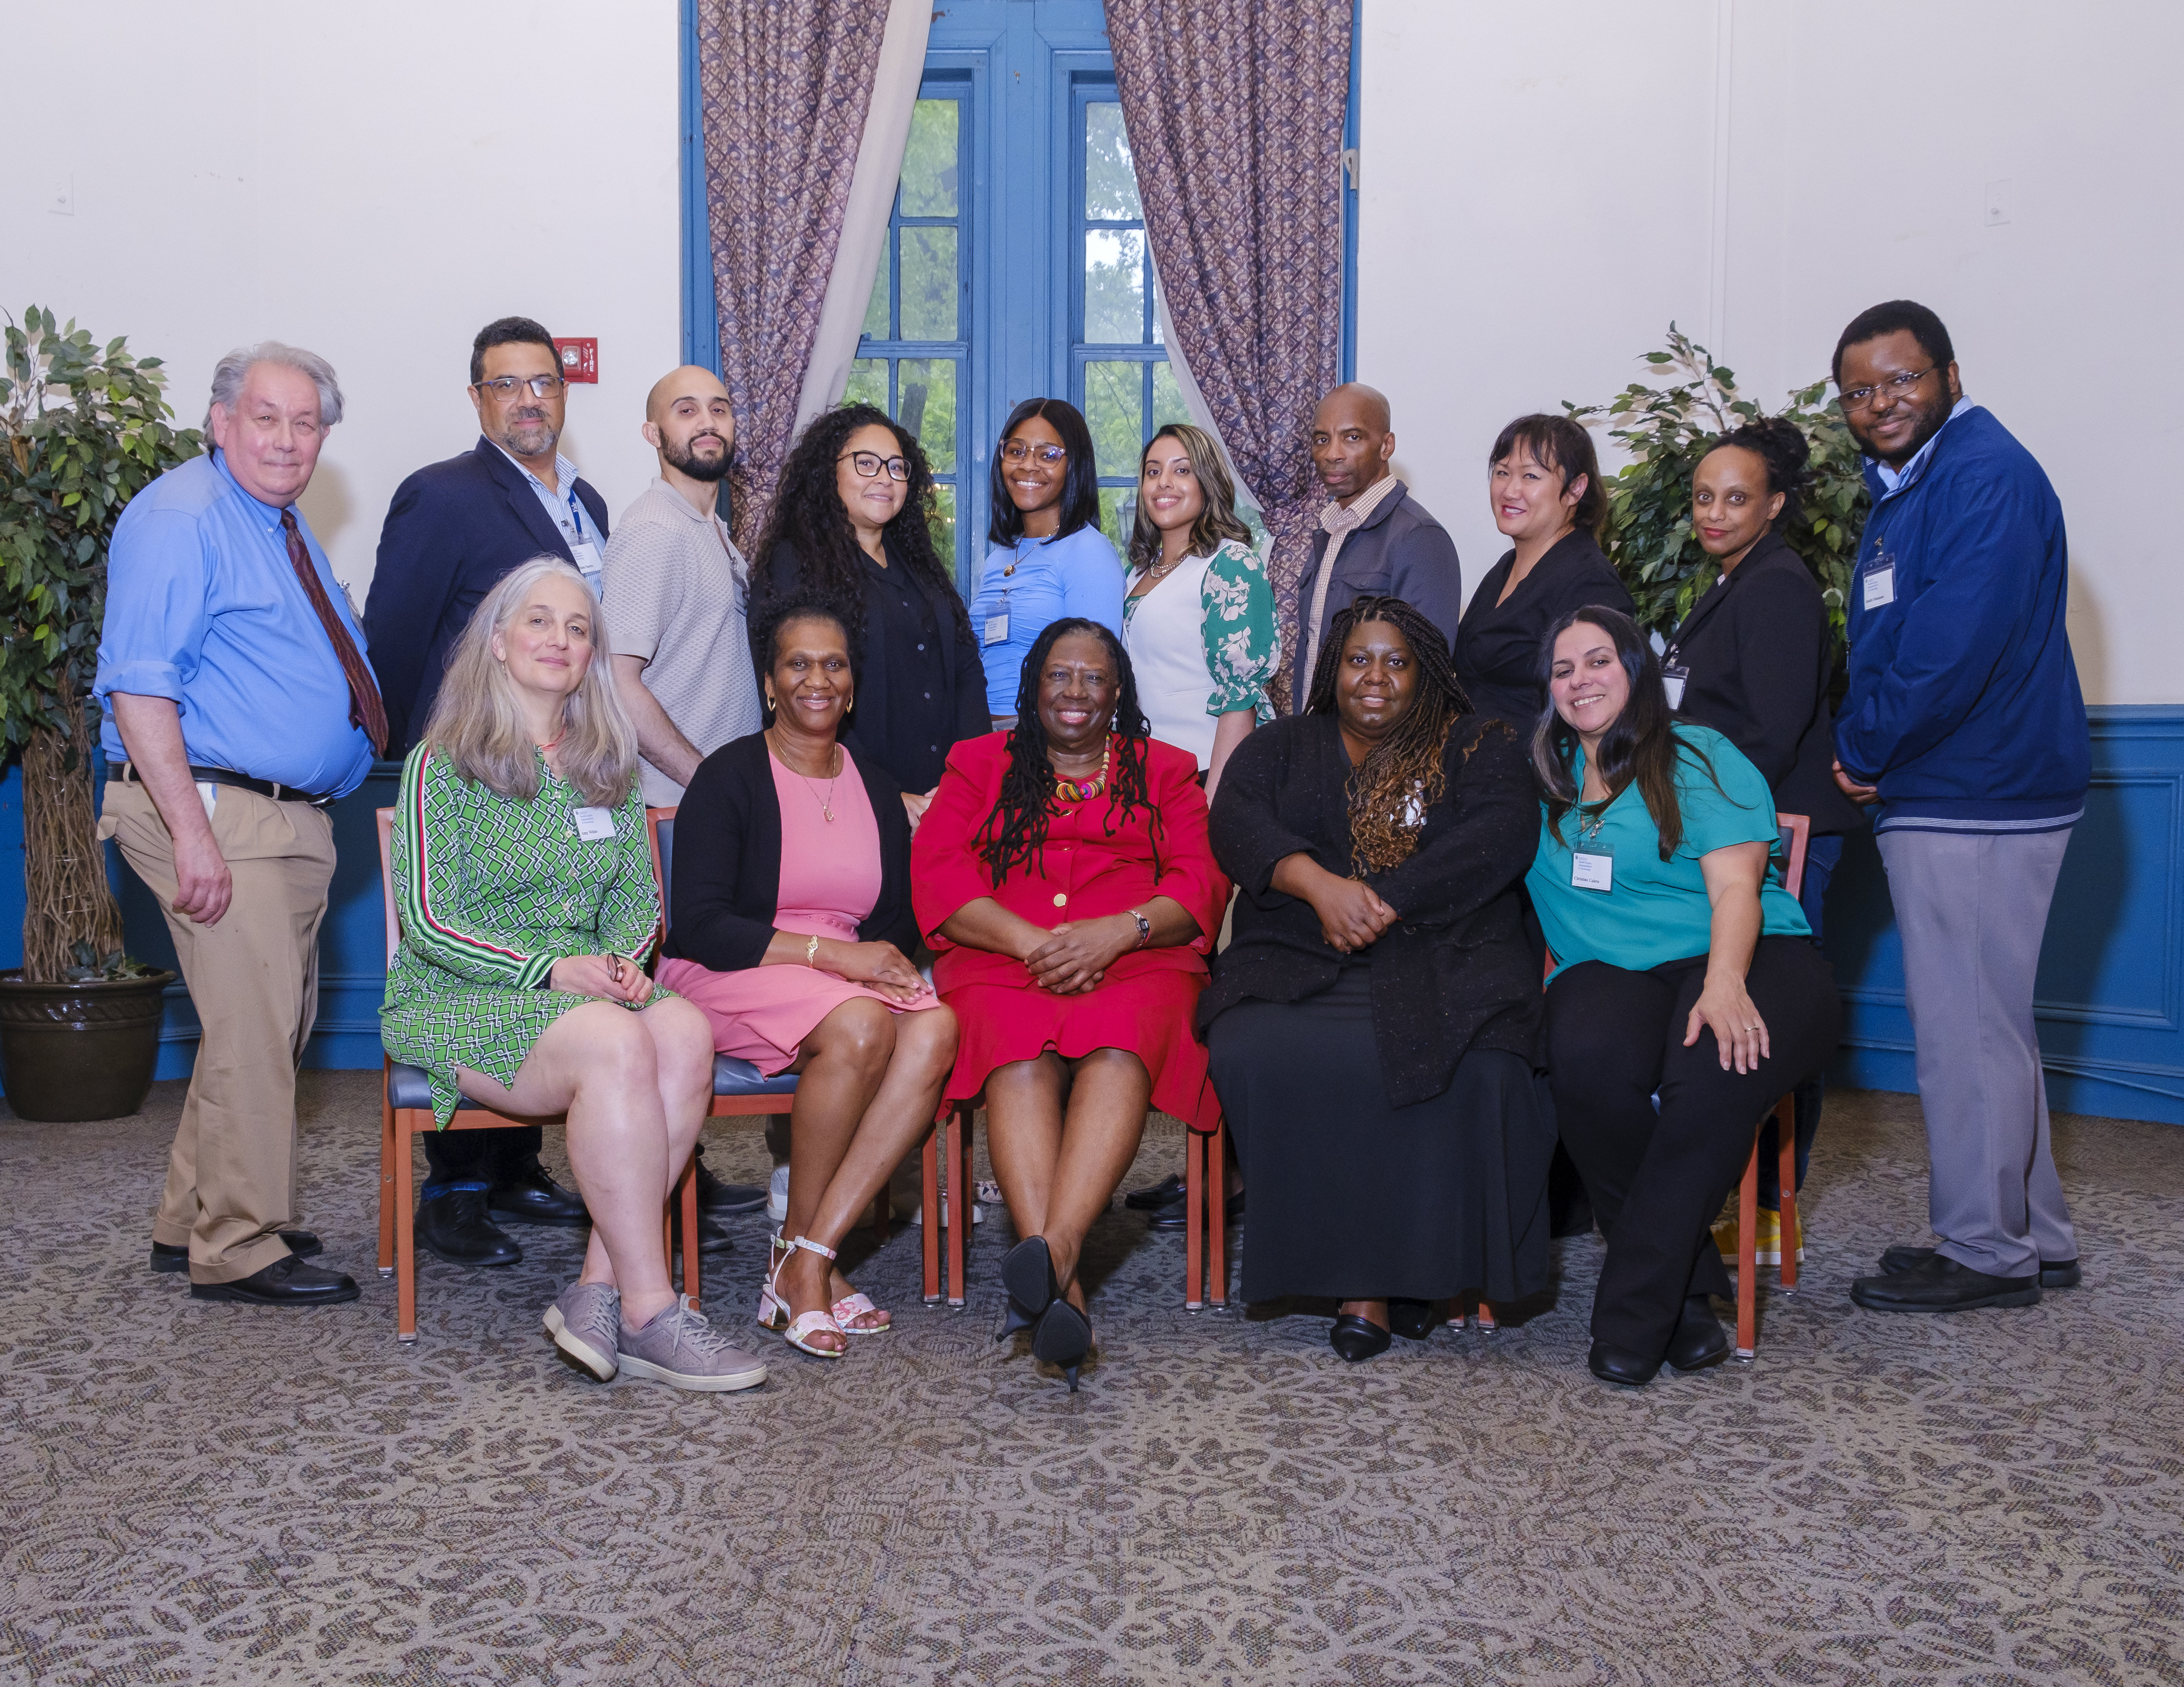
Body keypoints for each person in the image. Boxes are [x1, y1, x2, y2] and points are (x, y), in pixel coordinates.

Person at [380, 556, 766, 1391]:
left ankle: (596, 1285)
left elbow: (635, 905)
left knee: (683, 1028)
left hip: (589, 986)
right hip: (462, 990)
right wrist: (551, 970)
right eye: (540, 621)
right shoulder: (439, 763)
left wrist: (624, 967)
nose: (560, 639)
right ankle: (651, 1307)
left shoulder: (606, 762)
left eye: (579, 626)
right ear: (497, 641)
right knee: (617, 1044)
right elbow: (428, 920)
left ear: (593, 652)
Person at [95, 342, 381, 1307]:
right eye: (266, 417)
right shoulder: (185, 517)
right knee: (256, 1031)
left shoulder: (275, 523)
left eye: (306, 423)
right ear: (220, 421)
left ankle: (192, 1217)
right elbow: (139, 686)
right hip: (217, 810)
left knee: (257, 1026)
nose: (287, 439)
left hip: (280, 820)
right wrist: (191, 834)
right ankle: (239, 1241)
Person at [1203, 597, 1553, 1361]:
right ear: (1333, 667)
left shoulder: (1477, 743)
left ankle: (1408, 1277)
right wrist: (1315, 884)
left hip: (1445, 952)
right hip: (1296, 954)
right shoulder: (1279, 745)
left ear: (1425, 672)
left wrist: (1389, 899)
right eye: (1359, 658)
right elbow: (1234, 818)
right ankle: (1345, 1271)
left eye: (1396, 661)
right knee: (1254, 1047)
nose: (1375, 677)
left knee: (1468, 1059)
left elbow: (1500, 834)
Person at [1826, 301, 2089, 1315]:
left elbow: (1946, 650)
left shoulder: (1979, 474)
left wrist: (1859, 747)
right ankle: (2035, 1232)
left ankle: (1985, 1248)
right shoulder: (1917, 483)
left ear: (1946, 371)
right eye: (1859, 389)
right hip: (1958, 783)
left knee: (1964, 1031)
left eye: (1899, 379)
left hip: (1973, 789)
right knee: (1992, 1023)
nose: (1881, 401)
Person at [1529, 606, 1841, 1386]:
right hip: (1611, 971)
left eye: (1597, 661)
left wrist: (1725, 981)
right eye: (1563, 670)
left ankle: (1633, 1312)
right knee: (1583, 1060)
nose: (1579, 681)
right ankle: (1691, 1290)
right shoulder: (1539, 777)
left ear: (1635, 669)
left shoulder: (1697, 752)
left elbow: (1736, 887)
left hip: (1749, 950)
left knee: (1707, 1074)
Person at [912, 620, 1227, 1389]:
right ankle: (1065, 1285)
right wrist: (1033, 944)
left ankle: (1050, 1254)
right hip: (1001, 958)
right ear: (1032, 687)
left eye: (1093, 678)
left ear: (1117, 692)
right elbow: (941, 872)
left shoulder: (1166, 770)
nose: (1075, 692)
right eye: (1059, 676)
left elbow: (1200, 882)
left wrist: (1117, 933)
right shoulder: (978, 764)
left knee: (1122, 1045)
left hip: (1135, 960)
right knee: (1014, 1057)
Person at [655, 598, 959, 1357]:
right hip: (734, 966)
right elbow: (696, 922)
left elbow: (895, 915)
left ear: (850, 687)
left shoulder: (874, 784)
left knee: (936, 1026)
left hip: (838, 977)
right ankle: (801, 1260)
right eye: (797, 663)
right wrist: (833, 959)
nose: (816, 679)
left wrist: (872, 961)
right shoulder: (728, 777)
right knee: (860, 1025)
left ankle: (808, 1257)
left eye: (833, 665)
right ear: (769, 684)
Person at [363, 315, 606, 1264]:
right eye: (505, 385)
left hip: (562, 757)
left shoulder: (583, 498)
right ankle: (456, 1187)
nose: (528, 399)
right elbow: (392, 638)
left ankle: (514, 1166)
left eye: (542, 381)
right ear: (476, 399)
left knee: (548, 947)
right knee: (477, 958)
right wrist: (432, 747)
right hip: (475, 765)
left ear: (563, 391)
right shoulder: (441, 495)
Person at [1663, 420, 1867, 1265]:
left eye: (1736, 497)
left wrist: (1695, 812)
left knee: (1777, 1007)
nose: (1714, 512)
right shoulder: (1735, 579)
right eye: (1705, 496)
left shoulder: (1777, 585)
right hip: (1741, 823)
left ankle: (1775, 1208)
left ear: (1775, 504)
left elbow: (1773, 732)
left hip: (1778, 828)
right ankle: (1745, 1202)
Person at [603, 364, 769, 1223]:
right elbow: (619, 681)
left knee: (685, 995)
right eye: (684, 409)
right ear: (651, 433)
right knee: (659, 1001)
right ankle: (651, 1197)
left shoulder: (711, 530)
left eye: (718, 405)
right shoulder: (653, 532)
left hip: (698, 810)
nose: (706, 422)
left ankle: (679, 1176)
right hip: (667, 810)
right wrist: (713, 781)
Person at [752, 404, 987, 825]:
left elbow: (966, 669)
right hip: (847, 801)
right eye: (866, 464)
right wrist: (883, 796)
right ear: (830, 472)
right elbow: (802, 696)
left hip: (945, 801)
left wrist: (969, 780)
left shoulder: (918, 564)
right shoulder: (795, 565)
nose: (884, 477)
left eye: (898, 468)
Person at [1121, 422, 1279, 804]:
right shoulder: (1138, 571)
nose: (1163, 483)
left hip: (1208, 769)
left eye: (1182, 470)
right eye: (1153, 471)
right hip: (1149, 768)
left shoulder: (1231, 562)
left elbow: (1242, 694)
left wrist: (1213, 800)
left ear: (1207, 481)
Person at [1454, 413, 1636, 729]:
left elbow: (1602, 708)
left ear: (1575, 489)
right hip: (1475, 764)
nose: (1510, 490)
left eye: (1530, 477)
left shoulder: (1589, 583)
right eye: (1502, 473)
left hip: (1537, 772)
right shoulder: (1504, 568)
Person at [1290, 384, 1464, 710]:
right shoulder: (1330, 529)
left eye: (1352, 437)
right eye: (1321, 439)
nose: (1332, 453)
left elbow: (1428, 676)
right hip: (1318, 737)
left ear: (1386, 446)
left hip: (1376, 751)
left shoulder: (1418, 536)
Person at [966, 398, 1125, 728]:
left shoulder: (1088, 552)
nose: (1028, 465)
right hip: (981, 733)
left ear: (1074, 464)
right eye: (1016, 451)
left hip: (1047, 740)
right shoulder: (1000, 557)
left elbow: (1097, 675)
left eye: (1048, 454)